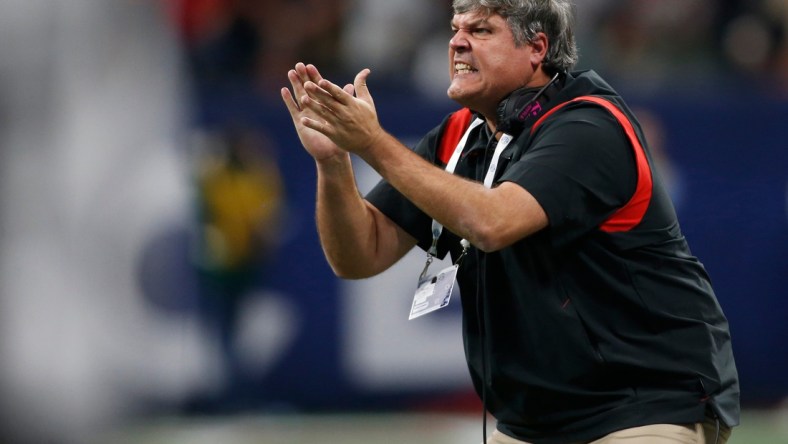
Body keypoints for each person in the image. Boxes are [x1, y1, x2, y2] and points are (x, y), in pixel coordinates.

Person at [280, 0, 740, 443]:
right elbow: (361, 254)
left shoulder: (589, 127)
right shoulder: (460, 137)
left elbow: (492, 222)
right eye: (456, 29)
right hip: (533, 422)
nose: (458, 43)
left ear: (537, 48)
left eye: (480, 30)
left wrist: (372, 143)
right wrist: (335, 162)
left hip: (644, 404)